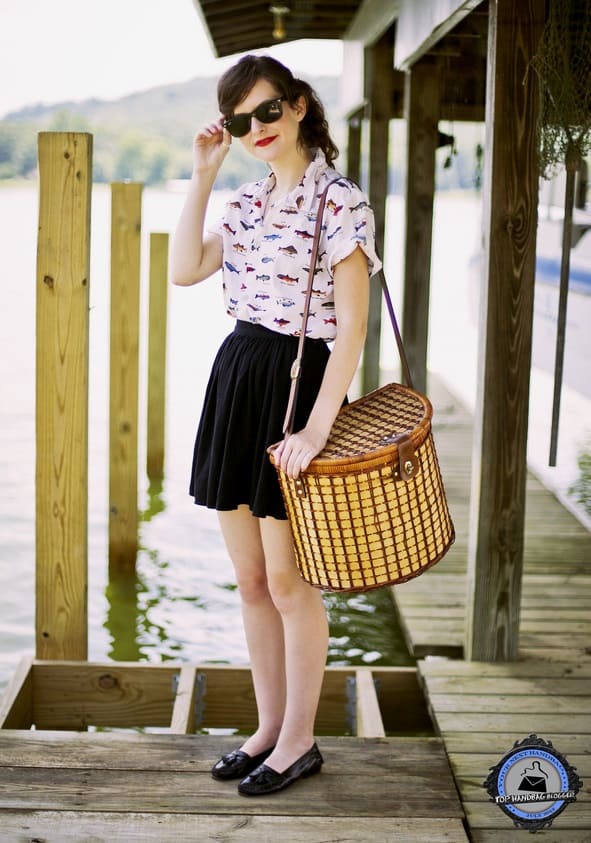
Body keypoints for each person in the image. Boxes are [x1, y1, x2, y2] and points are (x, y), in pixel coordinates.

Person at [170, 54, 381, 796]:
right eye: (239, 119)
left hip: (297, 387)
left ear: (296, 107)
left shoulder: (340, 202)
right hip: (238, 376)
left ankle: (298, 739)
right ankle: (265, 728)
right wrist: (201, 173)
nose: (254, 128)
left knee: (290, 581)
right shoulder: (244, 202)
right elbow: (185, 267)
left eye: (266, 112)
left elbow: (351, 330)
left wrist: (318, 429)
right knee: (252, 579)